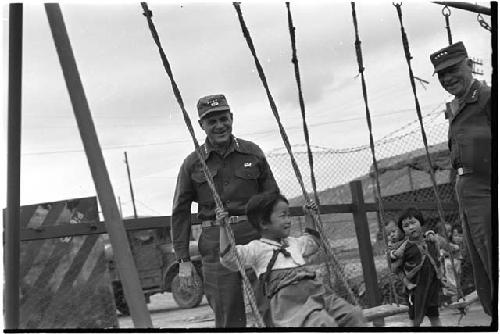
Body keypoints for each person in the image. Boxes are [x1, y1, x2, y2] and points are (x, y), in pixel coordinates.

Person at [171, 94, 279, 328]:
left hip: (255, 238)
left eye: (223, 118)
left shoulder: (252, 153)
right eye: (212, 122)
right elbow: (180, 212)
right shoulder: (193, 163)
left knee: (271, 307)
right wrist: (183, 260)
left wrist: (279, 237)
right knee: (228, 315)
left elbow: (273, 198)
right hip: (215, 243)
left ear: (231, 118)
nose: (220, 126)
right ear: (202, 126)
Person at [218, 192, 366, 327]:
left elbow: (312, 241)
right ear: (264, 223)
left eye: (289, 215)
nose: (288, 220)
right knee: (321, 322)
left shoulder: (294, 243)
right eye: (283, 216)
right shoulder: (257, 249)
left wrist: (309, 216)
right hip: (290, 302)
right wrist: (223, 228)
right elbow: (229, 258)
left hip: (317, 292)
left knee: (354, 314)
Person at [430, 41, 492, 316]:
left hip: (486, 187)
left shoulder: (489, 99)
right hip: (466, 191)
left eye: (453, 69)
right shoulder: (456, 107)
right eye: (442, 75)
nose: (448, 78)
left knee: (494, 254)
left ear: (469, 64)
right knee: (481, 263)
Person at [392, 207, 443, 327]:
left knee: (434, 316)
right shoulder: (403, 247)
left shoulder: (430, 241)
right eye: (406, 226)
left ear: (421, 222)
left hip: (431, 288)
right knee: (415, 320)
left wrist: (431, 233)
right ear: (403, 230)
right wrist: (407, 284)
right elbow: (396, 268)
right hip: (415, 290)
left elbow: (441, 253)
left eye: (413, 223)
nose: (410, 227)